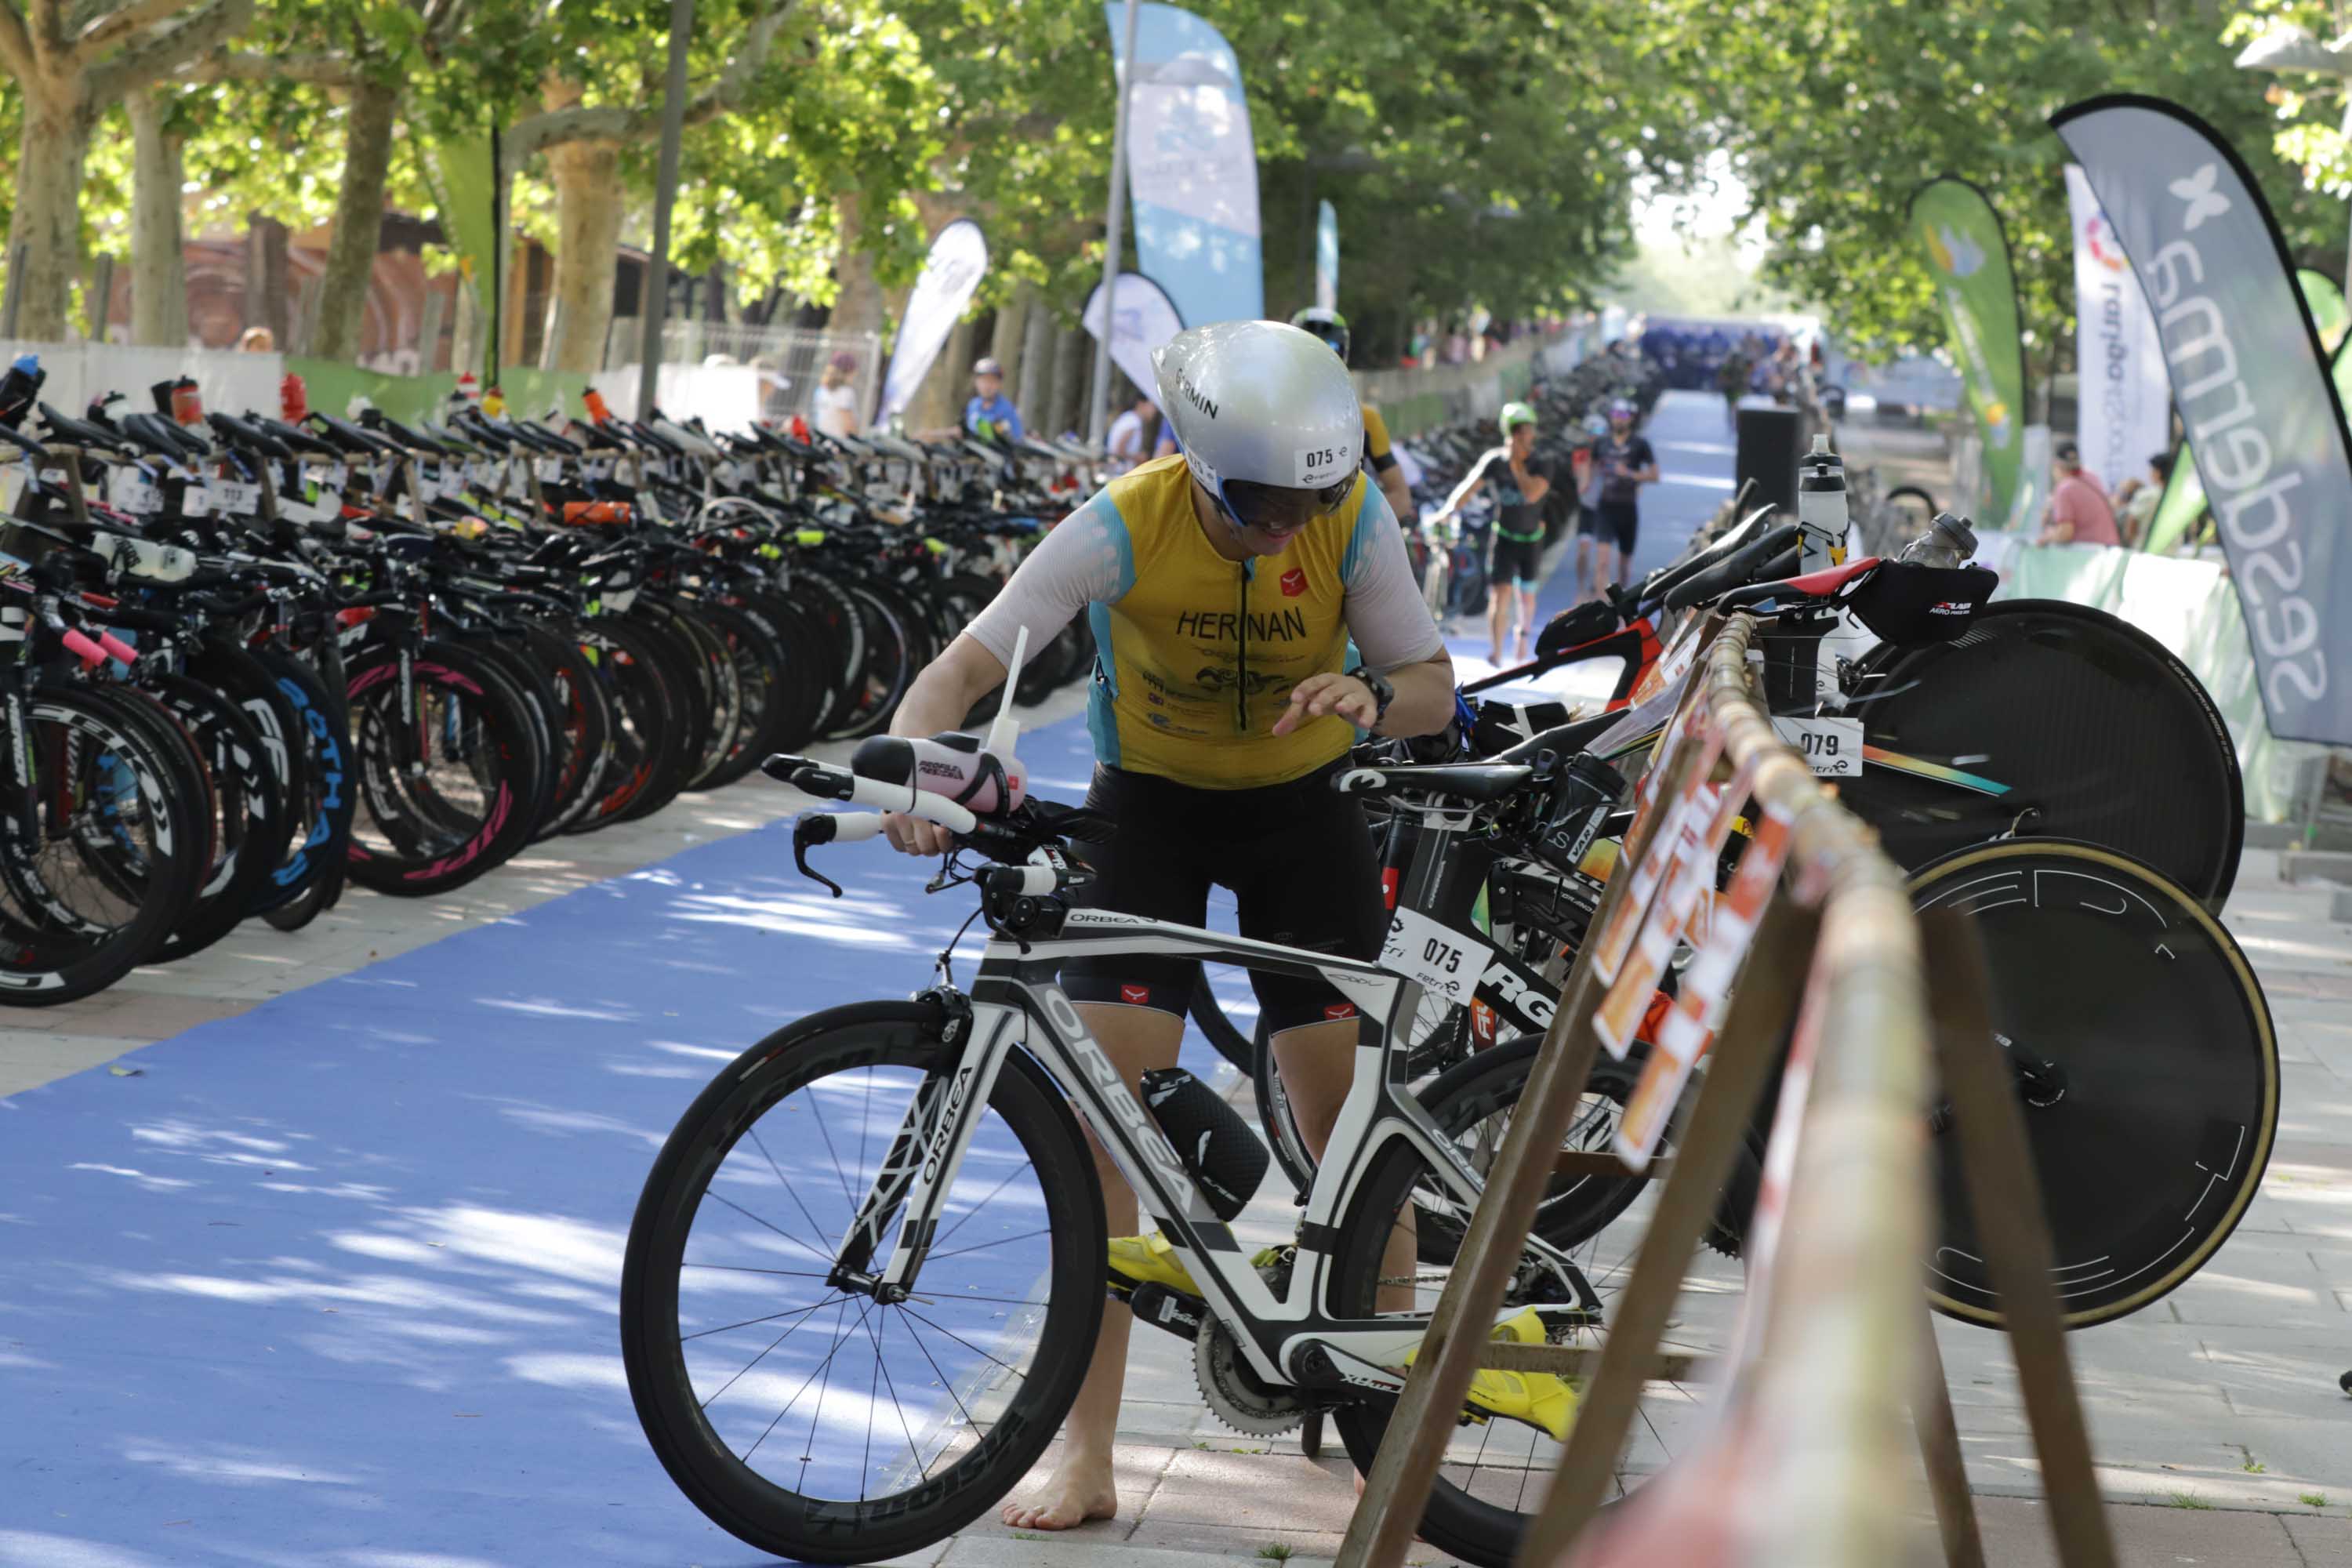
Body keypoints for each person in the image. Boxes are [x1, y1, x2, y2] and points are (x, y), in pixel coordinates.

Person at [877, 320, 1570, 1533]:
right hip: (1148, 817)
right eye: (1259, 505)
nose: (1286, 528)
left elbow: (1433, 687)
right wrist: (913, 771)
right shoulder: (1123, 522)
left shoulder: (1347, 518)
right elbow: (962, 668)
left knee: (1353, 1137)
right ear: (1200, 467)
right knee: (1109, 1143)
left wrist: (1370, 697)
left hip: (1305, 817)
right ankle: (1084, 1451)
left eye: (1310, 498)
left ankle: (1383, 1441)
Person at [1430, 401, 1551, 665]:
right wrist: (1447, 511)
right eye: (1516, 432)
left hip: (1530, 540)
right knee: (1499, 593)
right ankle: (1496, 650)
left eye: (1526, 431)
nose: (1522, 437)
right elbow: (1469, 487)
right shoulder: (1495, 461)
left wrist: (1518, 467)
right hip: (1504, 536)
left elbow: (1532, 494)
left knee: (1526, 595)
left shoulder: (1542, 462)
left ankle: (1523, 635)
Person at [1290, 306, 1416, 524]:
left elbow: (1402, 499)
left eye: (1328, 350)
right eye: (1308, 351)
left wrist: (1341, 527)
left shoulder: (1365, 419)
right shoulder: (1265, 413)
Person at [1580, 399, 1657, 596]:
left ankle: (1621, 608)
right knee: (1602, 562)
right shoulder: (1601, 443)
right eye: (1615, 415)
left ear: (1631, 419)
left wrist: (1630, 474)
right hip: (1605, 507)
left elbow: (1655, 475)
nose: (1618, 420)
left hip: (1628, 509)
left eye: (1623, 416)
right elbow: (1591, 463)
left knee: (1624, 566)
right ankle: (1597, 608)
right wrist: (1586, 482)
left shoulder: (1640, 444)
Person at [2038, 441, 2122, 546]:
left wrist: (2048, 537)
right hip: (2111, 550)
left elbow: (2065, 533)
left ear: (2057, 465)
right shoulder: (2092, 478)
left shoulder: (2064, 488)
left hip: (2091, 555)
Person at [2111, 449, 2172, 548]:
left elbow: (2131, 524)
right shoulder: (2176, 495)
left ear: (2158, 473)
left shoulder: (2147, 495)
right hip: (2171, 550)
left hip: (2146, 549)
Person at [965, 356, 1024, 444]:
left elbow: (1016, 439)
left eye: (992, 381)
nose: (987, 386)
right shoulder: (973, 405)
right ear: (976, 382)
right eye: (984, 381)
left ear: (999, 384)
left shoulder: (1007, 409)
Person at [812, 350, 861, 439]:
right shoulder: (845, 392)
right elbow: (848, 425)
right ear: (848, 372)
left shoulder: (821, 390)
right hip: (839, 444)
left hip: (822, 440)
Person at [1105, 388, 1154, 473]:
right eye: (1152, 406)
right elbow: (1119, 450)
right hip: (1120, 472)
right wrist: (1138, 457)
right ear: (1141, 404)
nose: (1154, 411)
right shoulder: (1133, 422)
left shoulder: (1129, 418)